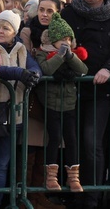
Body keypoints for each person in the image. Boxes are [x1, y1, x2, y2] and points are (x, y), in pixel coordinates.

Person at [60, 0, 110, 208]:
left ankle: (91, 197)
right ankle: (73, 195)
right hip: (71, 86)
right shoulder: (69, 12)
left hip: (100, 89)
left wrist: (108, 69)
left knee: (92, 143)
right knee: (71, 142)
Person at [0, 10, 41, 209]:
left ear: (15, 31)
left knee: (2, 165)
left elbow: (35, 69)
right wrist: (17, 72)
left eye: (6, 27)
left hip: (14, 114)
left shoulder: (21, 49)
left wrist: (32, 75)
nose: (0, 31)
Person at [34, 13, 88, 194]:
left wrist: (71, 56)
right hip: (51, 103)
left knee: (71, 139)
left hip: (70, 103)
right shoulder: (42, 52)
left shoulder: (73, 54)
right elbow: (47, 69)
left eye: (68, 39)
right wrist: (60, 55)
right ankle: (51, 177)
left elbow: (83, 70)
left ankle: (73, 177)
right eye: (62, 39)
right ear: (54, 40)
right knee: (55, 138)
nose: (66, 42)